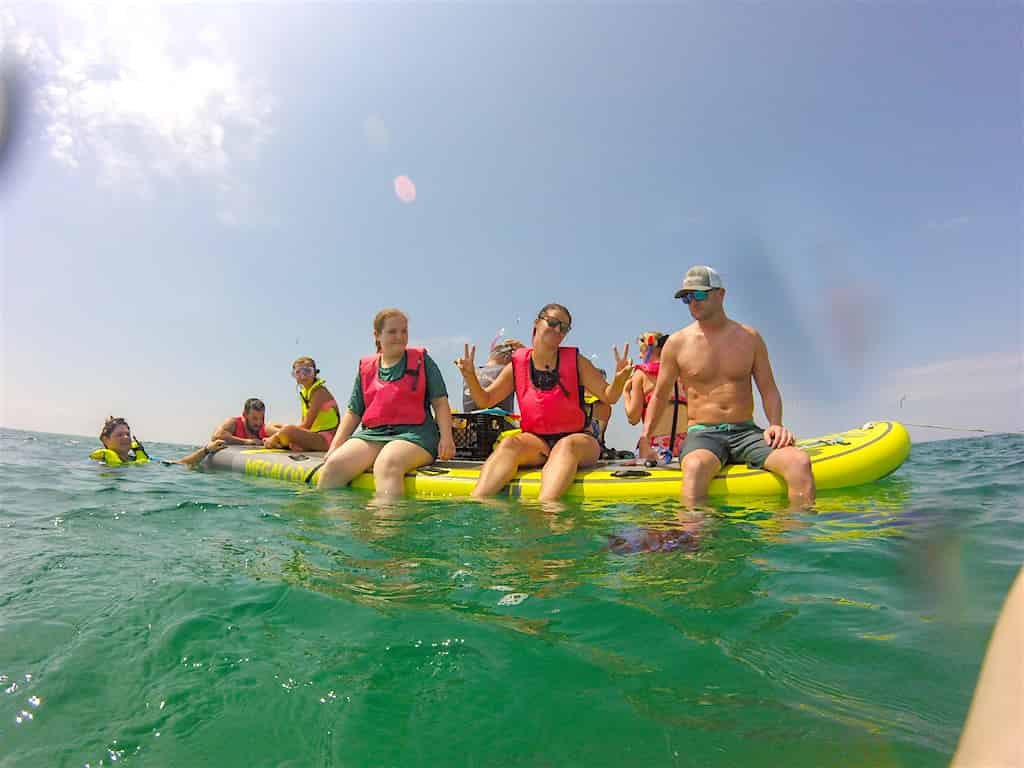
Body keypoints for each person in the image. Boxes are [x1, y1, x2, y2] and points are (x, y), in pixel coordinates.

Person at [645, 266, 815, 504]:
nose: (693, 302)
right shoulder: (677, 343)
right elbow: (660, 396)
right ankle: (697, 539)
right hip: (703, 434)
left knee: (799, 462)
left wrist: (776, 424)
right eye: (687, 297)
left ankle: (789, 537)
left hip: (746, 431)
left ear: (720, 294)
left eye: (699, 294)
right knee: (694, 468)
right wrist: (646, 438)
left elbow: (768, 389)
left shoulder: (749, 338)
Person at [456, 303, 633, 501]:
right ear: (537, 323)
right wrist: (471, 377)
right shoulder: (517, 365)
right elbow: (485, 400)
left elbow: (609, 396)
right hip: (537, 441)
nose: (558, 330)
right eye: (553, 323)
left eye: (564, 328)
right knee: (509, 444)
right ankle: (477, 500)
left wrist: (619, 380)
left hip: (579, 439)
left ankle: (547, 509)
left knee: (566, 447)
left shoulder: (577, 362)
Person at [317, 308, 456, 496]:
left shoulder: (423, 361)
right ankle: (336, 524)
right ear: (377, 335)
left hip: (416, 436)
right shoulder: (366, 368)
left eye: (404, 331)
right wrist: (334, 447)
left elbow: (440, 402)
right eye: (392, 332)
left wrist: (446, 438)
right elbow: (354, 412)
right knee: (334, 465)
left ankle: (387, 524)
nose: (400, 336)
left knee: (387, 463)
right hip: (374, 434)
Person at [624, 332, 688, 462]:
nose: (639, 356)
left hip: (656, 446)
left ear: (649, 351)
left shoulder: (641, 374)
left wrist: (626, 392)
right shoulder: (682, 373)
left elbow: (633, 418)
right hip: (686, 444)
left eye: (641, 352)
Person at [263, 357, 340, 452]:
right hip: (313, 434)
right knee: (269, 426)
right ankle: (289, 442)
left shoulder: (320, 392)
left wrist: (276, 436)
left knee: (288, 430)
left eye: (307, 371)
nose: (303, 376)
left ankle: (283, 441)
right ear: (294, 375)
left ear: (315, 373)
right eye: (298, 372)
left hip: (326, 439)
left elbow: (306, 426)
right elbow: (304, 426)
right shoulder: (305, 393)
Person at [90, 416, 226, 467]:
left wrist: (206, 450)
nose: (126, 438)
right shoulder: (98, 463)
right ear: (105, 440)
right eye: (119, 435)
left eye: (127, 434)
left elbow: (178, 464)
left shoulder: (143, 460)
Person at [461, 338, 524, 412]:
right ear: (506, 358)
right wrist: (524, 352)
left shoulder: (471, 372)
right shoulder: (507, 370)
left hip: (468, 421)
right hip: (499, 422)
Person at [212, 398, 279, 446]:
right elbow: (216, 436)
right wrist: (246, 441)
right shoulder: (234, 422)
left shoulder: (263, 429)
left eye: (262, 418)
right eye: (254, 418)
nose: (259, 423)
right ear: (244, 415)